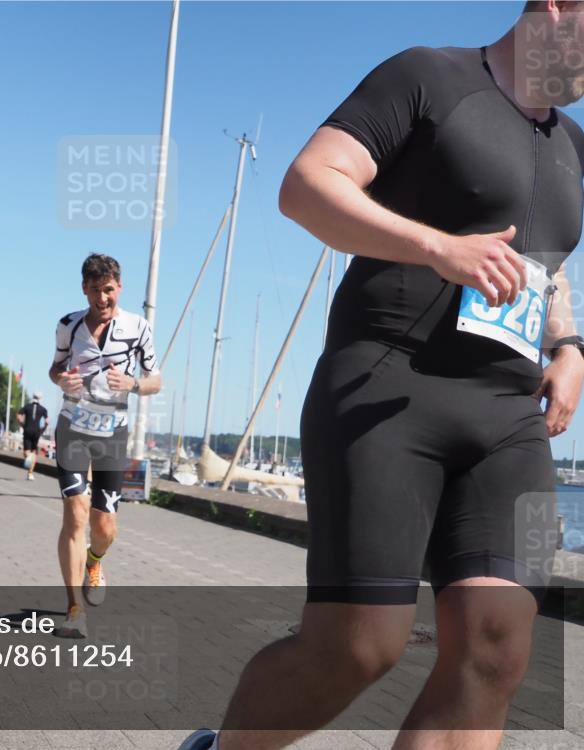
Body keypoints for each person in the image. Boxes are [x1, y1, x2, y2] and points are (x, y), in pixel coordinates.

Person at [179, 4, 584, 750]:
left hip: (508, 417)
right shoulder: (428, 76)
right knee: (359, 646)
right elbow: (306, 184)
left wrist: (569, 347)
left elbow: (548, 267)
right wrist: (437, 247)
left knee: (498, 646)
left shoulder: (574, 147)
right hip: (388, 388)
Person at [49, 253, 161, 638]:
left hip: (112, 433)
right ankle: (74, 609)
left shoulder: (138, 327)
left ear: (120, 287)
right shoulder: (68, 326)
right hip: (73, 428)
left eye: (108, 290)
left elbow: (156, 381)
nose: (102, 298)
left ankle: (94, 561)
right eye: (95, 290)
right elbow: (55, 368)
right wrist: (61, 380)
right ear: (84, 289)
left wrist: (132, 384)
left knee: (104, 527)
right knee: (75, 515)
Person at [17, 392, 49, 480]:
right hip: (36, 432)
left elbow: (18, 416)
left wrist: (22, 425)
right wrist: (43, 430)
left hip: (27, 430)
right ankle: (30, 473)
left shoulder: (27, 407)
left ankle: (28, 457)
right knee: (33, 452)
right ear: (40, 399)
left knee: (26, 452)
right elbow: (47, 422)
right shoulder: (43, 409)